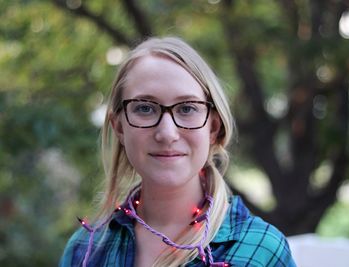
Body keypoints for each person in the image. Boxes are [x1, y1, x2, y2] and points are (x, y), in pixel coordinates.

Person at [59, 36, 296, 267]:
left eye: (187, 108)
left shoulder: (260, 251)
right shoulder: (86, 249)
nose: (167, 133)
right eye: (144, 108)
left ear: (213, 127)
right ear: (119, 127)